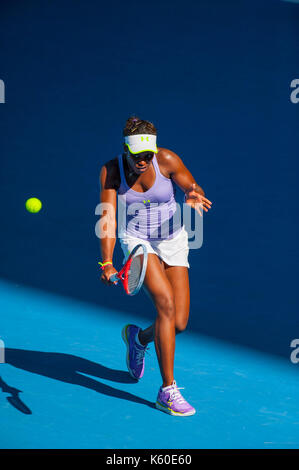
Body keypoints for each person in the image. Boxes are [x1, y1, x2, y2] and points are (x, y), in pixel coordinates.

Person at [99, 116, 212, 416]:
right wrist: (108, 262)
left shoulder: (167, 159)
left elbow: (190, 183)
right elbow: (108, 218)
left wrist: (192, 192)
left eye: (148, 154)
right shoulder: (112, 171)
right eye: (137, 155)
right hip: (138, 241)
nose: (143, 160)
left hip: (173, 238)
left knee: (179, 324)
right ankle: (167, 391)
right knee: (165, 304)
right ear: (126, 149)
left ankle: (138, 339)